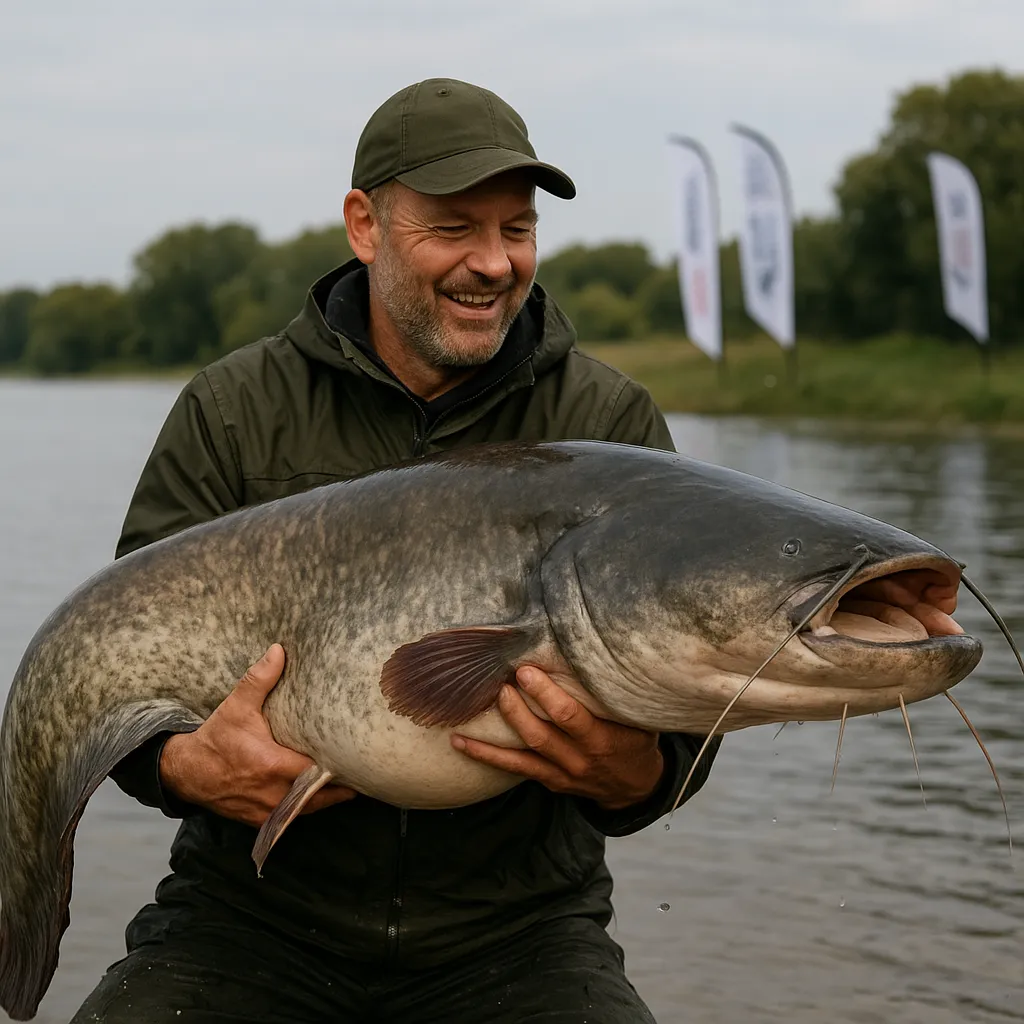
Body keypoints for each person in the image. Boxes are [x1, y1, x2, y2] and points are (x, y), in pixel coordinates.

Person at [72, 78, 721, 1023]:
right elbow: (116, 676)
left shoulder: (605, 423)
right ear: (365, 225)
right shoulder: (231, 412)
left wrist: (644, 775)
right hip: (248, 921)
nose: (494, 263)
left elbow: (693, 705)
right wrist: (181, 768)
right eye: (454, 228)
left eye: (517, 228)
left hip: (522, 934)